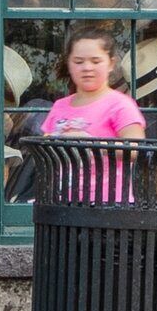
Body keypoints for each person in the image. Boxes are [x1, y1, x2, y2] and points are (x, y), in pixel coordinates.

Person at [38, 26, 146, 203]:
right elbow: (46, 147)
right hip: (62, 202)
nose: (87, 68)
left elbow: (136, 149)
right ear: (69, 64)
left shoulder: (120, 104)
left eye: (96, 61)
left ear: (111, 63)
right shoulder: (60, 105)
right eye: (78, 62)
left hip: (108, 206)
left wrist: (90, 143)